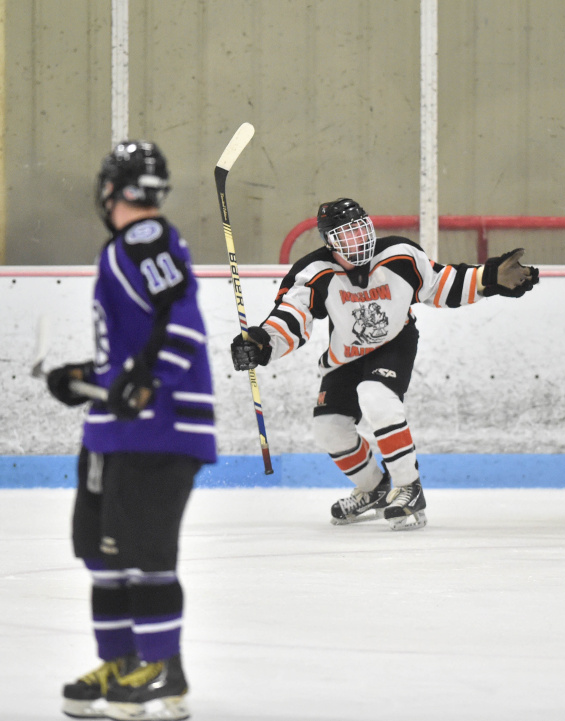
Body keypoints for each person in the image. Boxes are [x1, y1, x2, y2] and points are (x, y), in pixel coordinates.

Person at [231, 198, 538, 530]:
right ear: (330, 242)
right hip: (345, 355)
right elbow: (291, 318)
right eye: (346, 236)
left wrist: (488, 278)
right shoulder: (314, 272)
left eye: (360, 231)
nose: (358, 241)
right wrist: (260, 343)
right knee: (329, 428)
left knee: (376, 395)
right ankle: (373, 488)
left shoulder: (400, 256)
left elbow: (439, 283)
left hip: (394, 342)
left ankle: (409, 487)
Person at [46, 140, 215, 720]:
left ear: (115, 192)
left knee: (144, 556)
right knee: (104, 556)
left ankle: (164, 671)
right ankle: (122, 663)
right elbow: (128, 358)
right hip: (114, 433)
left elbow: (185, 322)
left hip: (157, 430)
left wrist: (145, 380)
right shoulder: (124, 249)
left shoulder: (146, 240)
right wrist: (83, 378)